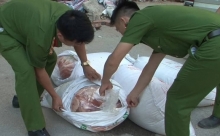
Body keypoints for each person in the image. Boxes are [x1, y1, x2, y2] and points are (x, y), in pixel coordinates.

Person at [98, 1, 220, 136]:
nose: (120, 33)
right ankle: (218, 115)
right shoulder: (160, 26)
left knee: (177, 102)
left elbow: (113, 60)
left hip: (215, 44)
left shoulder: (140, 18)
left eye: (117, 28)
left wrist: (105, 81)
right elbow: (151, 67)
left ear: (124, 21)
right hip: (214, 40)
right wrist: (135, 93)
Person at [0, 0, 100, 136]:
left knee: (50, 59)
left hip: (21, 22)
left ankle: (24, 98)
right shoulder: (41, 35)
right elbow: (38, 70)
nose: (80, 44)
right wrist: (54, 96)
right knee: (26, 70)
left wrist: (85, 64)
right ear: (60, 35)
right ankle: (35, 128)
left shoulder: (70, 17)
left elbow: (78, 41)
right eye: (76, 42)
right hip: (4, 30)